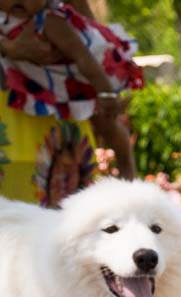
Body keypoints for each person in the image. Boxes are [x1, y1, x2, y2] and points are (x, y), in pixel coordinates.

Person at [0, 0, 142, 181]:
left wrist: (106, 92)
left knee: (107, 122)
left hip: (72, 87)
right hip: (23, 103)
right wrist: (9, 48)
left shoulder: (51, 21)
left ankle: (127, 171)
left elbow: (86, 58)